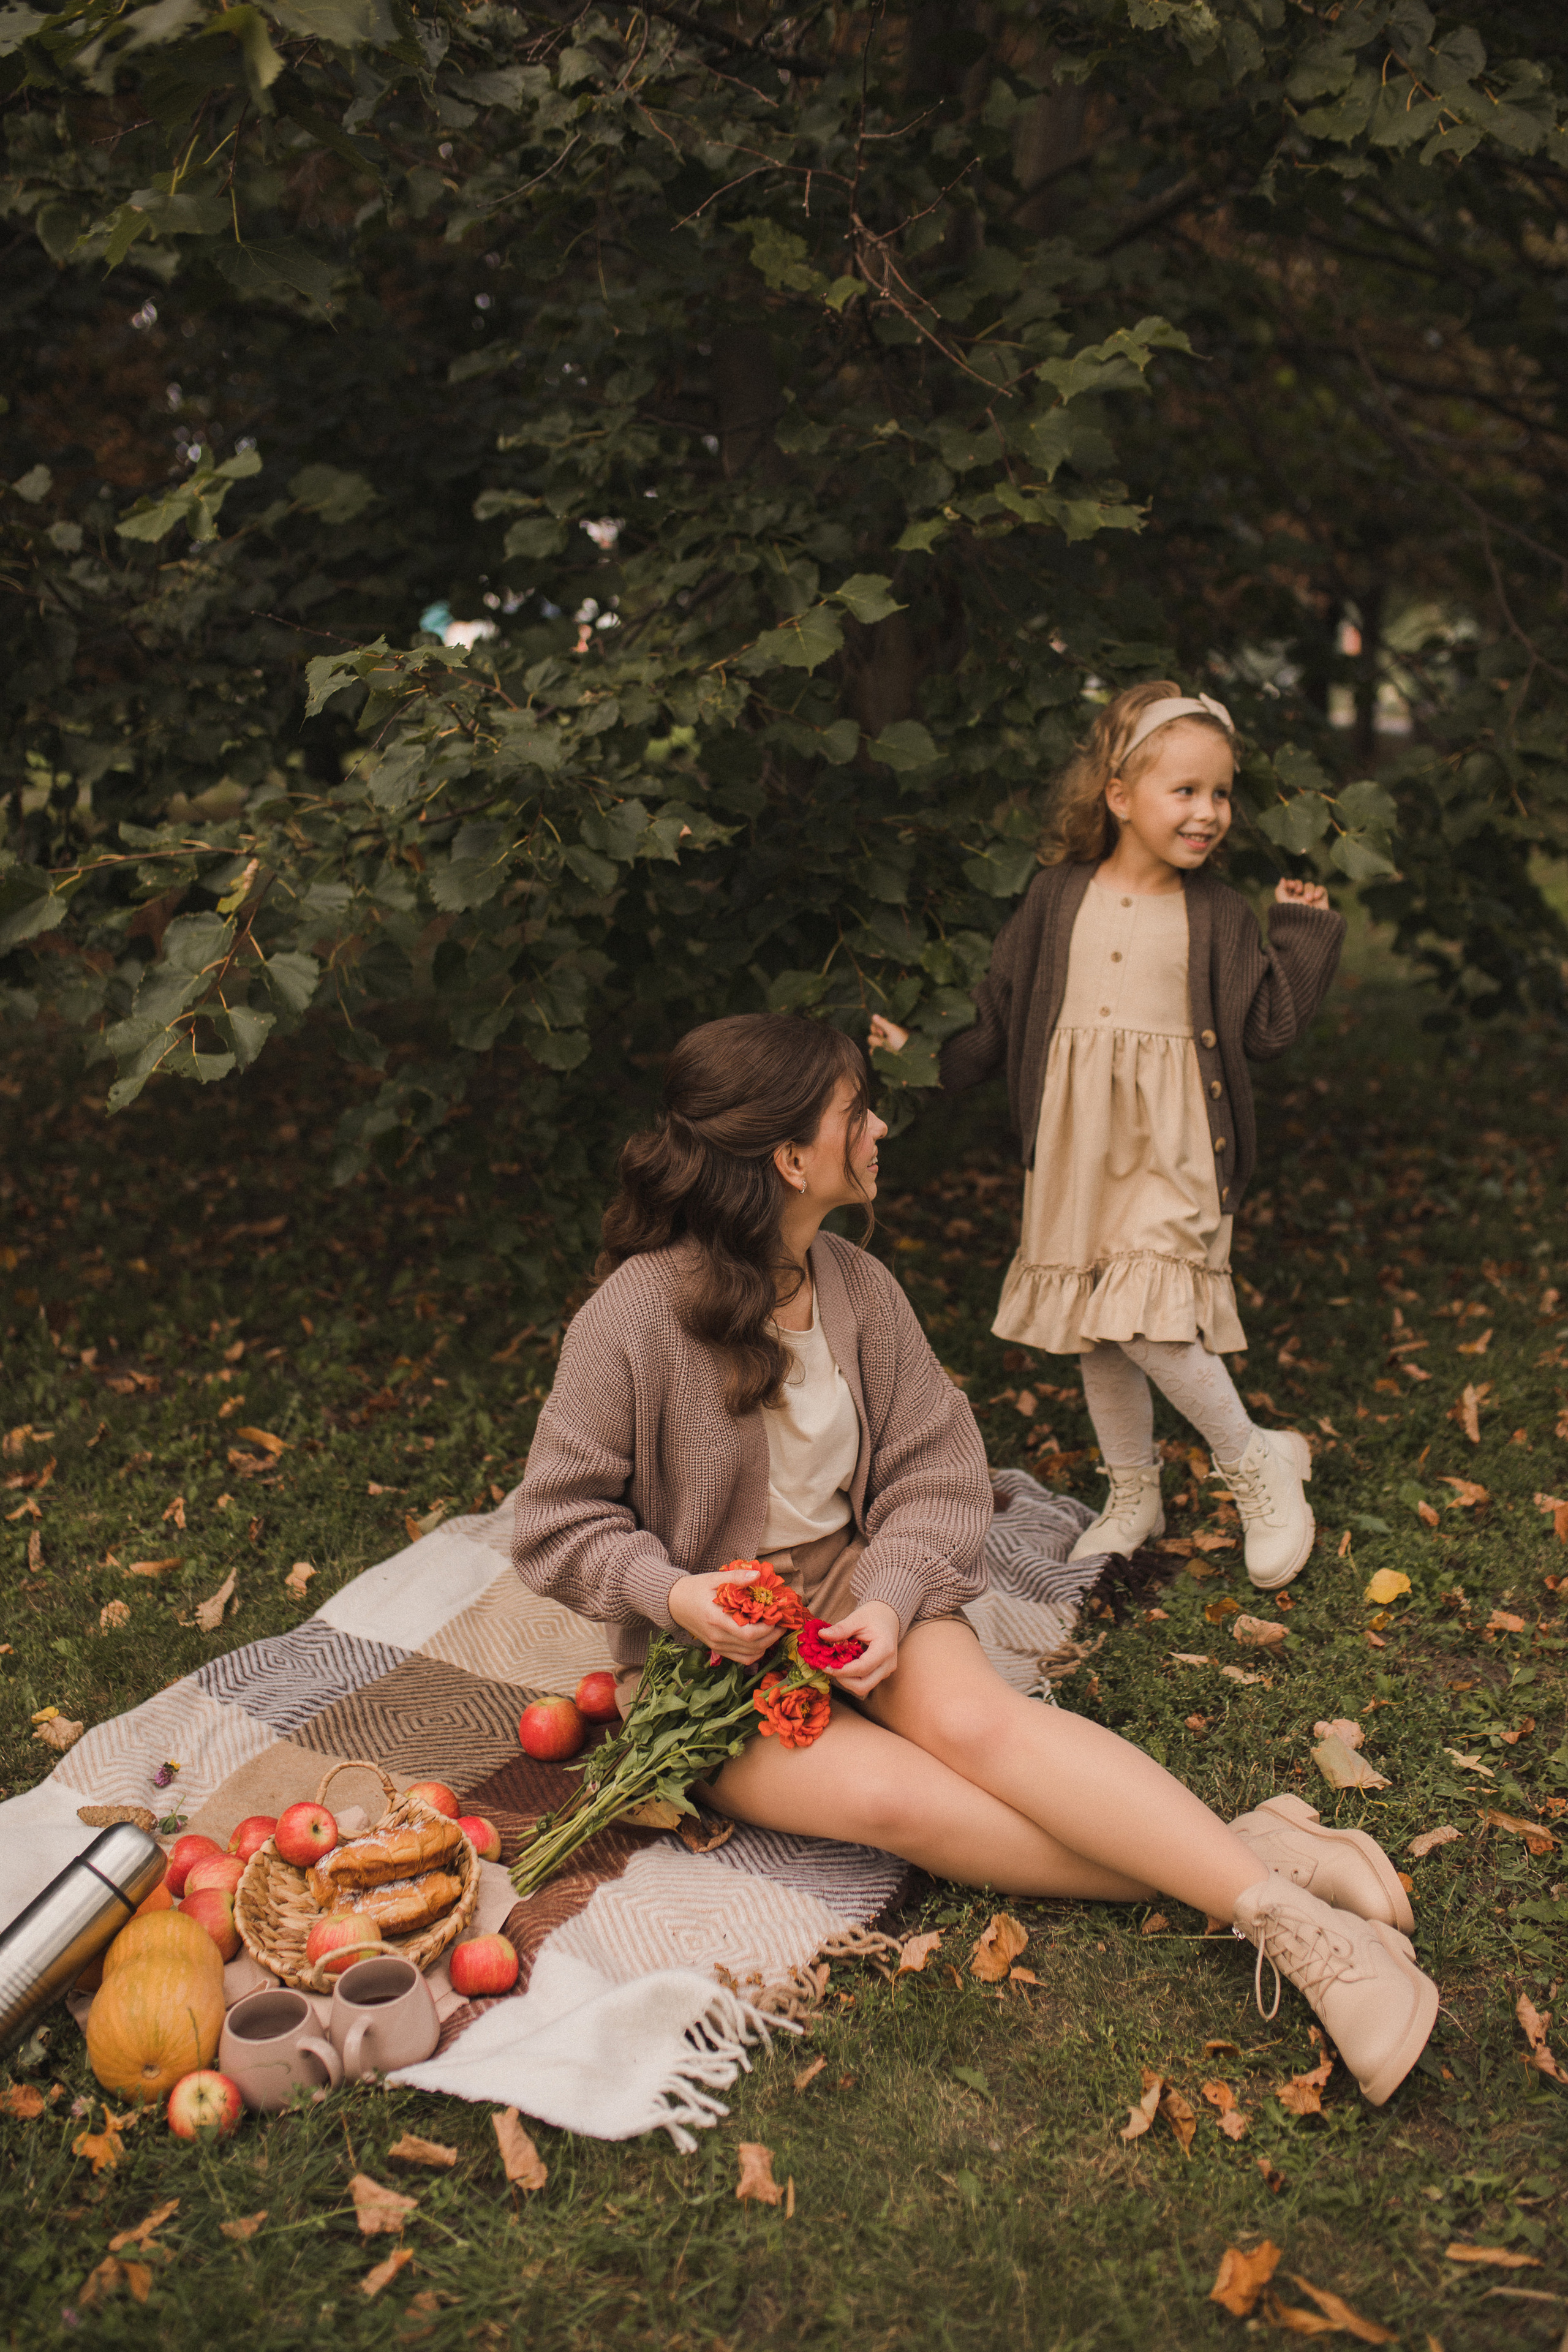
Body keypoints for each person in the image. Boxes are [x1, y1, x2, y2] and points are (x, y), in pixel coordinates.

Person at [513, 1012, 1436, 2106]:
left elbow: (940, 1474)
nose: (882, 1127)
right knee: (908, 1809)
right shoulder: (630, 1320)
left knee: (977, 1725)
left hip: (862, 1579)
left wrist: (897, 1601)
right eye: (859, 1112)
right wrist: (675, 1595)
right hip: (711, 1657)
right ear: (790, 1158)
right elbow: (554, 1522)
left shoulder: (858, 1289)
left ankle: (1298, 1938)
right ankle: (1255, 1860)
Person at [871, 682, 1344, 1592]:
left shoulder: (1218, 913)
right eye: (1186, 791)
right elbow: (998, 1018)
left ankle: (1256, 1465)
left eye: (1221, 793)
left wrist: (1304, 932)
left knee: (1148, 1321)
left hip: (1175, 1147)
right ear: (1119, 795)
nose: (1208, 813)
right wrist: (916, 1051)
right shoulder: (1056, 898)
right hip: (1076, 1145)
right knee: (1099, 1328)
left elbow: (1268, 1029)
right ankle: (1135, 1495)